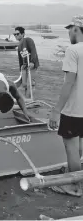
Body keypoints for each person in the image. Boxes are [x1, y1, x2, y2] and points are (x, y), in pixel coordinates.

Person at [49, 15, 83, 197]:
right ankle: (74, 174)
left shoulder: (73, 50)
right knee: (78, 146)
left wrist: (56, 110)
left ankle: (75, 186)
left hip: (73, 109)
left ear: (76, 29)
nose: (69, 32)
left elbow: (69, 83)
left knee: (71, 147)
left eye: (70, 29)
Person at [13, 26, 39, 98]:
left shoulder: (28, 40)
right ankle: (26, 97)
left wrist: (32, 62)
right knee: (24, 84)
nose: (16, 36)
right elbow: (20, 59)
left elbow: (33, 50)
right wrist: (20, 68)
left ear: (23, 34)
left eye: (17, 34)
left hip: (31, 65)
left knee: (30, 83)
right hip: (24, 67)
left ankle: (29, 99)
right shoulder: (19, 46)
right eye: (14, 34)